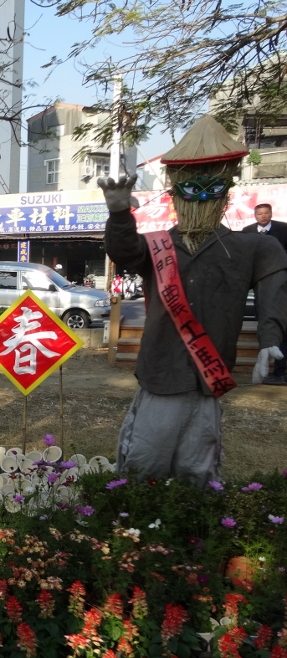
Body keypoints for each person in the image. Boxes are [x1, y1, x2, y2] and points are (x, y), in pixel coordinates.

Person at [98, 115, 287, 486]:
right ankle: (135, 528)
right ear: (176, 194)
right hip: (161, 372)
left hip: (209, 374)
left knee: (197, 464)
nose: (200, 198)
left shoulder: (252, 247)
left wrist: (270, 340)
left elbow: (274, 290)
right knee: (144, 460)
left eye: (211, 188)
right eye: (192, 188)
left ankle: (193, 530)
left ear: (226, 192)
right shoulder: (155, 245)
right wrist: (119, 213)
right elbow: (123, 251)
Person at [242, 204, 287, 384]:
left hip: (281, 283)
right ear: (255, 215)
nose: (263, 216)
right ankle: (267, 366)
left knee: (281, 323)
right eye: (259, 213)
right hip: (258, 284)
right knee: (264, 318)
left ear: (271, 213)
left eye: (266, 213)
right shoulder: (247, 232)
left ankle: (280, 370)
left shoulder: (283, 229)